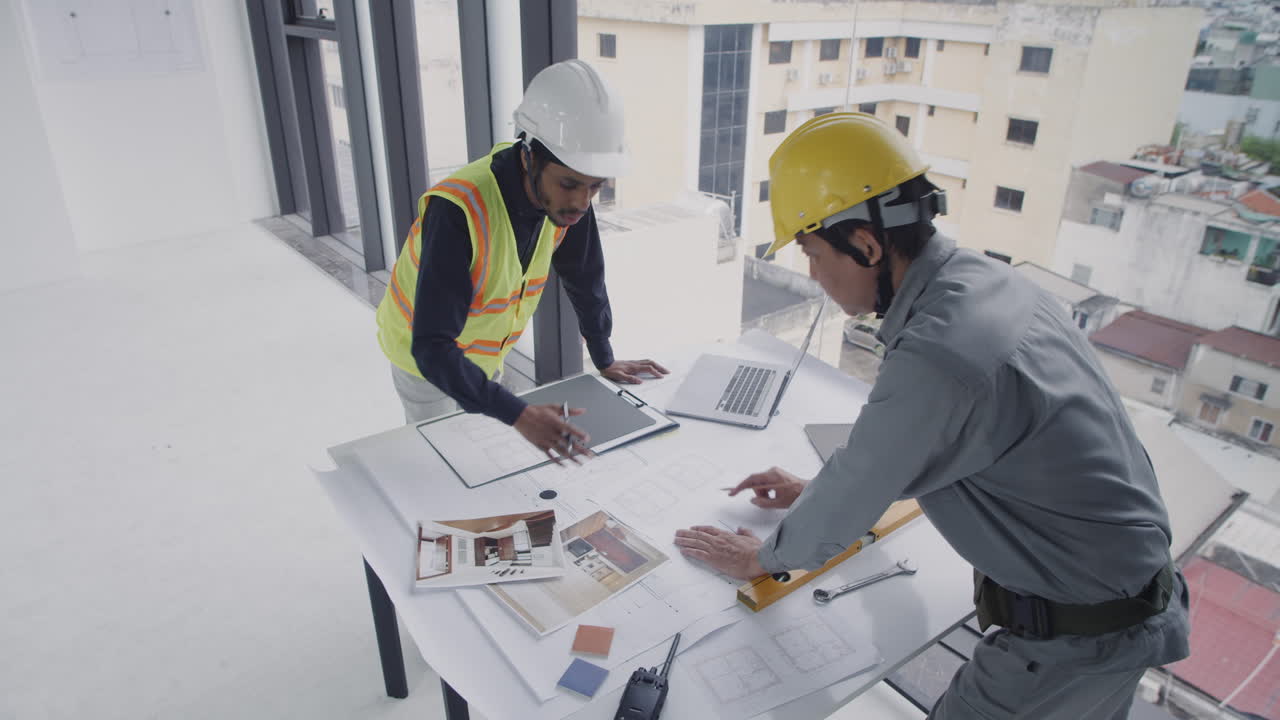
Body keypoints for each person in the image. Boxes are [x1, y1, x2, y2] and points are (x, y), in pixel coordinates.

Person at [674, 112, 1189, 719]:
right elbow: (939, 443)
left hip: (1077, 637)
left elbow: (866, 476)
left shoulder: (943, 352)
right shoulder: (988, 283)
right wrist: (814, 489)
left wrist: (760, 559)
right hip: (1118, 599)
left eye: (813, 254)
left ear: (865, 244)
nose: (813, 277)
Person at [375, 59, 666, 461]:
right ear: (529, 158)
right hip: (424, 362)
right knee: (442, 464)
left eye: (595, 187)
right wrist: (518, 413)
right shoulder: (457, 209)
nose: (582, 202)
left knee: (487, 452)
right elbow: (432, 346)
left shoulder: (570, 197)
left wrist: (604, 355)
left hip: (486, 353)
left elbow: (586, 277)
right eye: (569, 184)